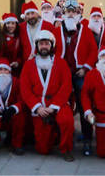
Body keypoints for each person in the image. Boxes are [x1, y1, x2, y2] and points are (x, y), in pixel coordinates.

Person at [20, 30, 75, 161]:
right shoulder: (28, 65)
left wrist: (54, 106)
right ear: (37, 46)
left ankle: (66, 149)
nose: (44, 46)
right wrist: (37, 107)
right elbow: (25, 89)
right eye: (41, 44)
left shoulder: (61, 63)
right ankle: (53, 135)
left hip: (58, 103)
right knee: (43, 149)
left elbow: (66, 86)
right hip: (39, 105)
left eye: (46, 44)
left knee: (67, 120)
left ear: (52, 45)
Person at [55, 0, 97, 156]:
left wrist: (85, 68)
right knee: (60, 104)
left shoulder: (85, 30)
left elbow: (93, 51)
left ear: (79, 13)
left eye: (74, 12)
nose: (71, 14)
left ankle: (87, 138)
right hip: (62, 75)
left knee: (84, 105)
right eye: (68, 12)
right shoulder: (57, 30)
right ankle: (60, 137)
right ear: (64, 13)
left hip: (80, 73)